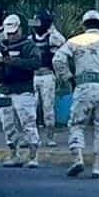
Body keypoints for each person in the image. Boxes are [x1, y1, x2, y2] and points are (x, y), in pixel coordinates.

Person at [54, 10, 99, 179]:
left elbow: (57, 59)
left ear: (84, 25)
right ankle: (98, 167)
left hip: (83, 88)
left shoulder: (75, 41)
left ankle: (78, 158)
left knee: (77, 124)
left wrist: (68, 78)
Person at [0, 14, 42, 169]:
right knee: (8, 124)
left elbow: (36, 62)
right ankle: (14, 154)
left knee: (28, 122)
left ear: (20, 29)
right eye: (9, 33)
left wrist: (14, 62)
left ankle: (33, 155)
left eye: (14, 32)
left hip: (23, 90)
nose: (11, 36)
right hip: (6, 90)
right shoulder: (1, 45)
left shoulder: (28, 45)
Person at [30, 9, 66, 148]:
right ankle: (33, 137)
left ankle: (50, 136)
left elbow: (63, 44)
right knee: (31, 108)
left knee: (48, 108)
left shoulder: (53, 37)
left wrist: (52, 30)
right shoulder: (31, 38)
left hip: (47, 76)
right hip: (33, 76)